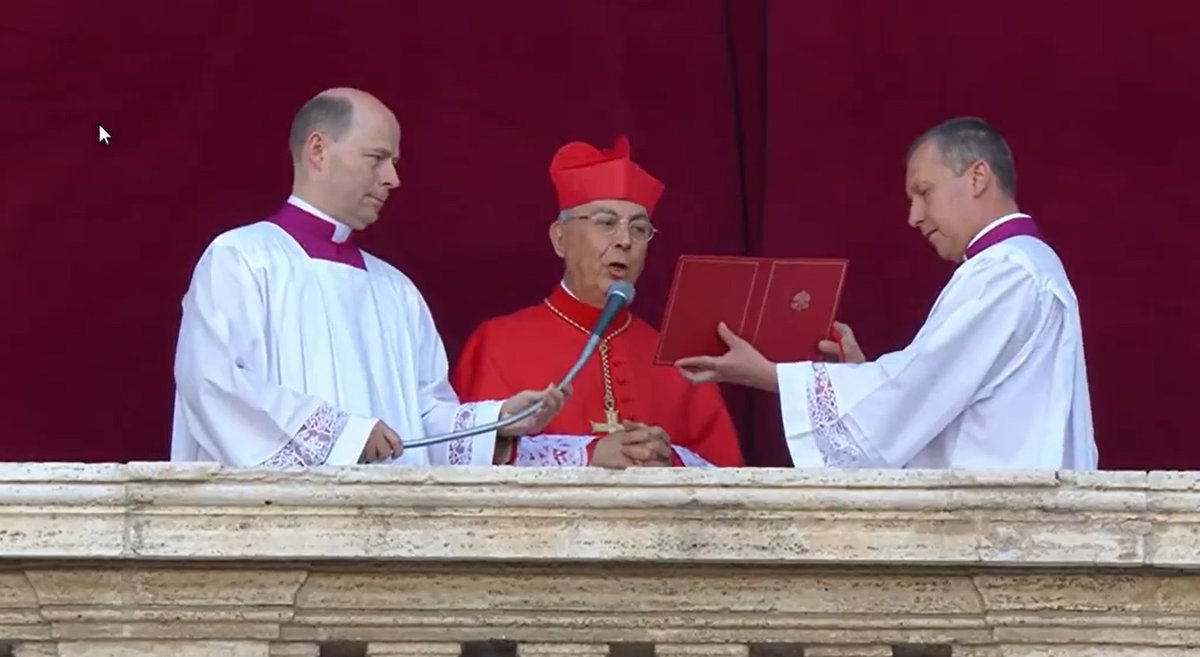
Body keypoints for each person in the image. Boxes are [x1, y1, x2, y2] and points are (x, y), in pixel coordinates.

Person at [170, 87, 566, 468]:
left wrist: (494, 423)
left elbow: (423, 420)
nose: (392, 178)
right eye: (377, 158)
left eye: (394, 162)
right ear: (318, 151)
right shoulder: (241, 259)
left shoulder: (395, 289)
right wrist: (345, 436)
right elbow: (214, 386)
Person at [675, 117, 1097, 470]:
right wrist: (858, 375)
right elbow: (940, 395)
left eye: (924, 193)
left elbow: (918, 389)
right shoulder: (1022, 264)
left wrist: (770, 375)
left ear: (977, 177)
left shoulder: (1006, 272)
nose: (915, 216)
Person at [451, 136, 744, 468]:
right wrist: (587, 456)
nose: (624, 241)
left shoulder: (677, 360)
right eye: (606, 223)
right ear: (560, 239)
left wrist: (668, 461)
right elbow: (467, 462)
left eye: (639, 229)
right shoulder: (497, 344)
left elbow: (729, 477)